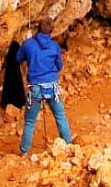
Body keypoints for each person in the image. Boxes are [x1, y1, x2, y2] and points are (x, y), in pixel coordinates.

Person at [16, 24, 72, 155]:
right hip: (52, 87)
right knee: (60, 116)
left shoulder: (29, 44)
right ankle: (69, 146)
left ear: (38, 29)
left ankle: (24, 152)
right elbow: (59, 66)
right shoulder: (54, 46)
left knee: (30, 121)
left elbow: (18, 58)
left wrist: (27, 43)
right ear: (51, 31)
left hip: (35, 88)